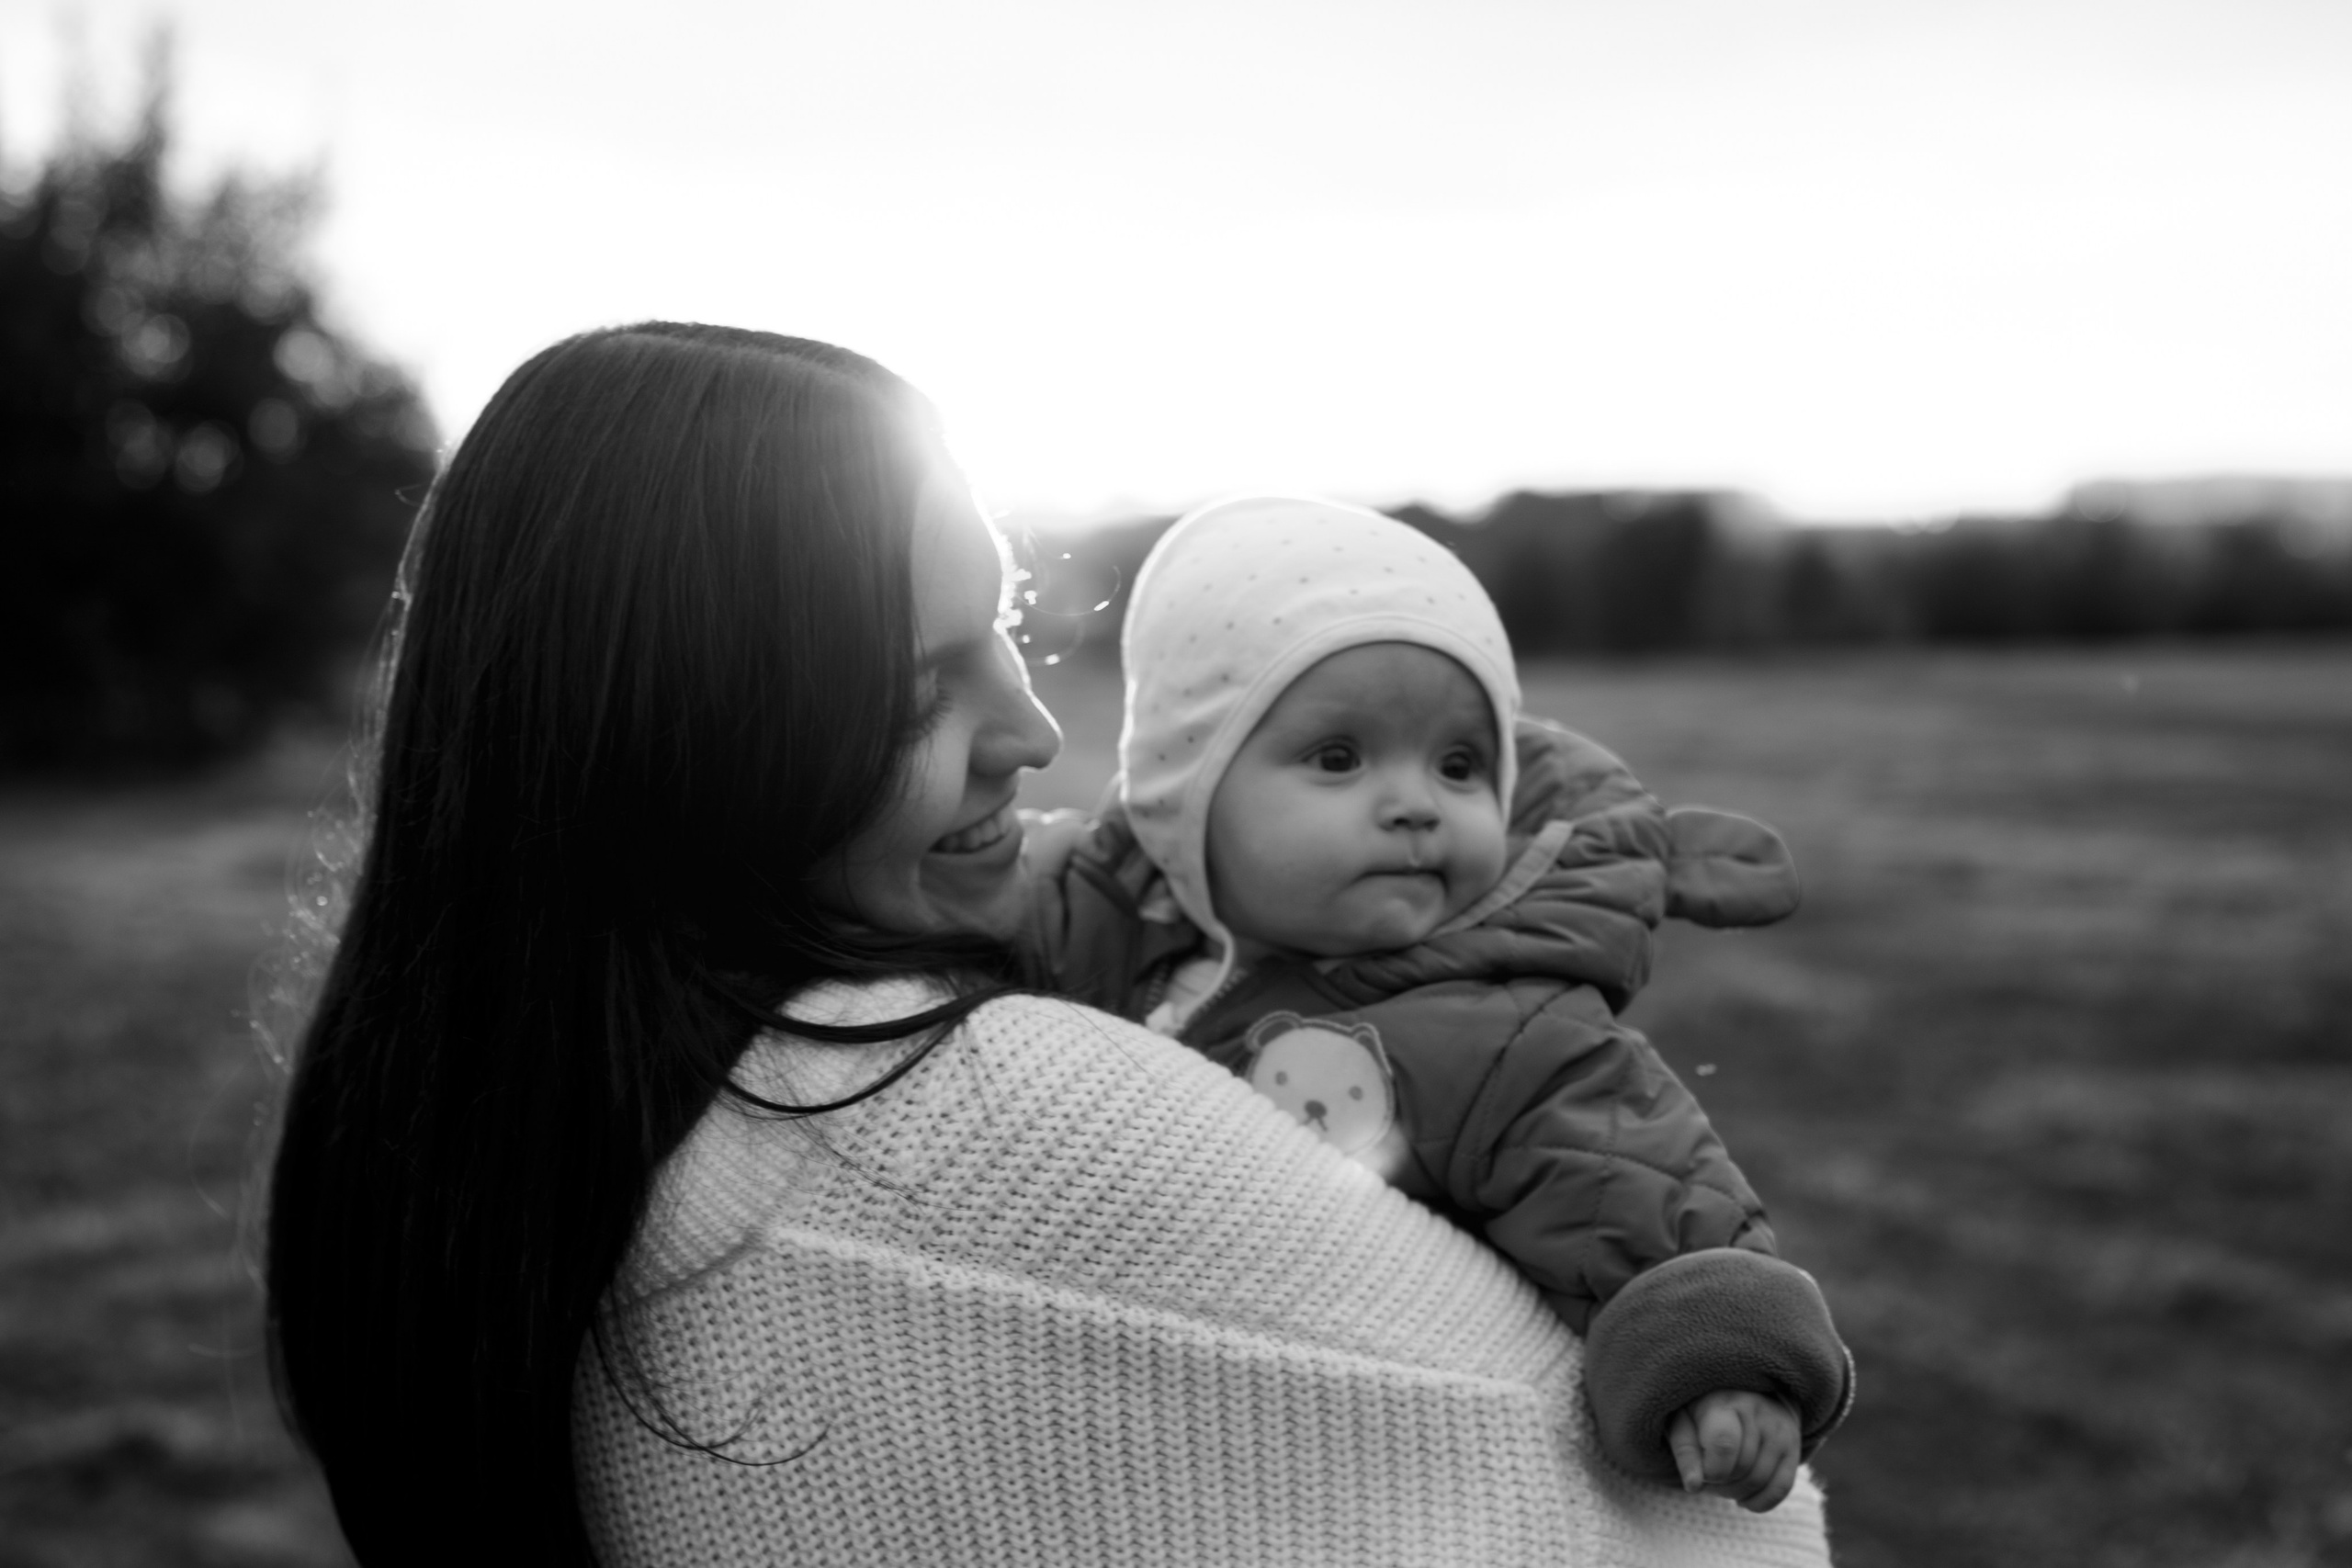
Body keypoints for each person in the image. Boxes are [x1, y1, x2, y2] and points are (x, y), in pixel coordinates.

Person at [264, 322, 1840, 1564]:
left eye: (1009, 635)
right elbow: (1725, 1538)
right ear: (685, 734)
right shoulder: (988, 1123)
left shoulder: (475, 1148)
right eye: (918, 688)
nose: (1029, 731)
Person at [1019, 496, 1852, 1505]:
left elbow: (1623, 1181)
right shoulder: (1099, 915)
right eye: (1339, 758)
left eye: (1459, 764)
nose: (1416, 802)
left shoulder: (1502, 1027)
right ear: (1178, 792)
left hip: (1339, 1453)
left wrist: (1722, 1362)